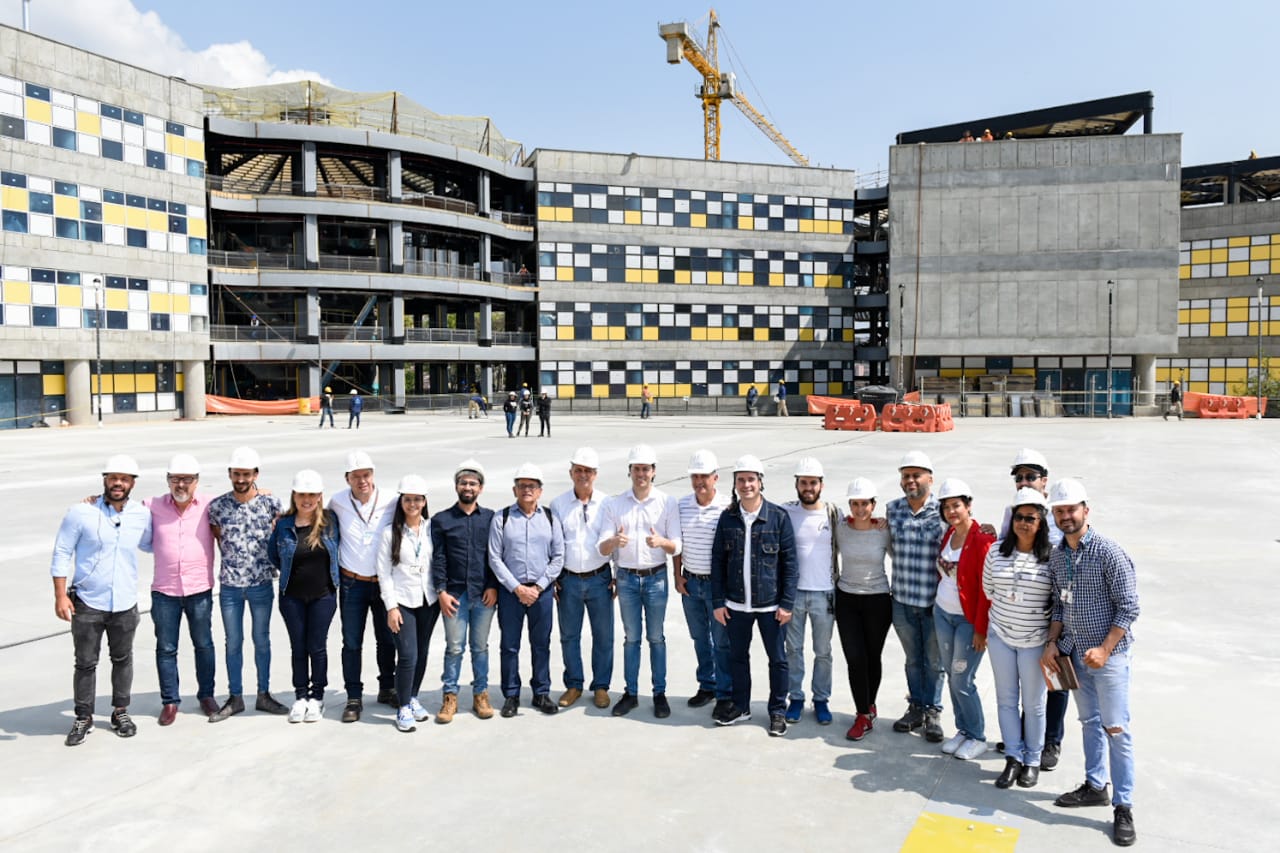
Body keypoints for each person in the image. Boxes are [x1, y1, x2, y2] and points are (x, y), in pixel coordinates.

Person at [1043, 479, 1140, 848]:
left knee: (1116, 727)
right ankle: (1096, 785)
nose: (1066, 516)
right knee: (1089, 721)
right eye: (1060, 510)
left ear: (1086, 510)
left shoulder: (1108, 553)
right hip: (1075, 654)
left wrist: (1104, 649)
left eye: (1072, 509)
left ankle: (1124, 806)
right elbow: (1059, 604)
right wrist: (1053, 642)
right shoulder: (1057, 554)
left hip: (1109, 657)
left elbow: (1129, 607)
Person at [51, 455, 153, 746]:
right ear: (105, 480)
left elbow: (150, 543)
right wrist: (60, 595)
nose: (118, 483)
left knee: (123, 660)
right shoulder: (80, 512)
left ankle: (120, 712)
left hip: (124, 603)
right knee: (85, 662)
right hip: (87, 602)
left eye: (124, 478)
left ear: (133, 483)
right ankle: (83, 716)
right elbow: (61, 553)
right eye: (112, 478)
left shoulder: (140, 515)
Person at [711, 455, 798, 736]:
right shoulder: (728, 518)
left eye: (751, 479)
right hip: (736, 604)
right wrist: (717, 602)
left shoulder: (778, 517)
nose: (746, 485)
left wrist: (786, 603)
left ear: (761, 482)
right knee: (738, 657)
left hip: (770, 606)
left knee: (778, 659)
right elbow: (717, 562)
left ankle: (776, 711)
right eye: (741, 480)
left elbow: (790, 564)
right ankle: (741, 706)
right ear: (735, 484)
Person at [597, 444, 682, 718]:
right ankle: (631, 693)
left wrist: (662, 542)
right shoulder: (615, 504)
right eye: (636, 469)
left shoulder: (667, 503)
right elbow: (602, 547)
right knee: (631, 638)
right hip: (627, 579)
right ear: (630, 472)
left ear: (654, 472)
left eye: (646, 469)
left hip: (656, 577)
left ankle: (659, 693)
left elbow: (677, 545)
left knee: (656, 637)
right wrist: (613, 541)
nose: (641, 474)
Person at [207, 447, 290, 722]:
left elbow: (288, 523)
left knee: (261, 641)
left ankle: (264, 694)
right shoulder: (218, 507)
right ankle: (236, 697)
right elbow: (218, 536)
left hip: (261, 584)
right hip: (230, 586)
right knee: (233, 642)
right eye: (236, 474)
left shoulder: (271, 504)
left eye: (246, 474)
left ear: (255, 474)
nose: (240, 478)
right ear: (230, 474)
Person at [998, 448, 1067, 771]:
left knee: (1055, 680)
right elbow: (1003, 548)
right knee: (1029, 685)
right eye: (1019, 477)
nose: (1024, 482)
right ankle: (1025, 739)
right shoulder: (1011, 511)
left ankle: (1051, 740)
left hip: (1059, 612)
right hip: (1022, 614)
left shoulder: (1059, 512)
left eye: (1030, 476)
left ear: (1045, 481)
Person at [985, 488, 1054, 789]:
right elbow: (989, 590)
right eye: (1019, 517)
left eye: (1031, 518)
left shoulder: (1053, 558)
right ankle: (1013, 757)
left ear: (1041, 524)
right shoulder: (996, 552)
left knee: (1034, 704)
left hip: (1035, 642)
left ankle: (1032, 761)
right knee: (1006, 700)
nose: (1023, 523)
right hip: (1000, 637)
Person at [489, 463, 565, 717]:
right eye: (522, 486)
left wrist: (540, 586)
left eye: (532, 486)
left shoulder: (550, 518)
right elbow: (495, 558)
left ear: (540, 491)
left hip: (541, 592)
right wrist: (517, 587)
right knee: (510, 645)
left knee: (541, 643)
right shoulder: (502, 518)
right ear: (514, 489)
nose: (526, 490)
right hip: (512, 592)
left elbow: (558, 556)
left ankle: (541, 692)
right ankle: (511, 695)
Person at [149, 453, 219, 725]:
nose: (181, 485)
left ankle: (206, 696)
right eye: (175, 479)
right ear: (167, 481)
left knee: (203, 645)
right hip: (165, 592)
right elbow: (120, 505)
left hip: (199, 589)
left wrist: (261, 490)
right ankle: (170, 701)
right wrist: (95, 499)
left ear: (197, 482)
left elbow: (242, 500)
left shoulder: (210, 505)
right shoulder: (152, 505)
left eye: (187, 480)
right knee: (166, 648)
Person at [330, 450, 398, 723]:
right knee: (352, 642)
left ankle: (387, 688)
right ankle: (354, 697)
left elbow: (419, 509)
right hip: (352, 583)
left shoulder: (392, 500)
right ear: (347, 478)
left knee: (387, 639)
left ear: (373, 475)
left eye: (367, 475)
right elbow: (305, 505)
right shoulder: (336, 501)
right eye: (356, 477)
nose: (362, 481)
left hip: (383, 583)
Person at [267, 469, 340, 723]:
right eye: (301, 495)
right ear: (294, 496)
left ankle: (316, 697)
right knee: (298, 647)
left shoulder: (330, 522)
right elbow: (273, 555)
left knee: (317, 647)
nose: (306, 500)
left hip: (324, 596)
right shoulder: (284, 524)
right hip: (292, 597)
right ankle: (300, 697)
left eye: (312, 495)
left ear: (320, 496)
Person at [932, 479, 996, 761]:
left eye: (956, 505)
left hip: (967, 621)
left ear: (968, 505)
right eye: (946, 507)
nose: (951, 511)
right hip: (943, 614)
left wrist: (981, 630)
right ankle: (963, 730)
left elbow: (987, 590)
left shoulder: (982, 539)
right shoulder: (949, 535)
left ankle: (977, 735)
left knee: (962, 678)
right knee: (951, 675)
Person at [430, 460, 499, 722]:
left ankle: (481, 694)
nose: (467, 487)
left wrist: (493, 586)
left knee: (480, 647)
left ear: (480, 488)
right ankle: (450, 696)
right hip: (455, 596)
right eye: (463, 482)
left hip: (483, 595)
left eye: (472, 483)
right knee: (455, 647)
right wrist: (441, 591)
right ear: (456, 486)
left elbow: (496, 556)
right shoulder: (442, 520)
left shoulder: (491, 518)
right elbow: (438, 559)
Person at [887, 450, 947, 742]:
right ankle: (916, 707)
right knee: (913, 659)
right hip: (902, 600)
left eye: (916, 475)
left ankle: (933, 711)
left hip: (934, 603)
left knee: (934, 661)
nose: (910, 480)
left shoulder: (944, 512)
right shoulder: (892, 510)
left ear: (930, 479)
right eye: (905, 475)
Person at [550, 447, 614, 709]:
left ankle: (600, 686)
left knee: (603, 635)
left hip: (599, 578)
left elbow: (615, 542)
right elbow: (553, 544)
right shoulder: (559, 504)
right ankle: (574, 684)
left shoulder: (608, 503)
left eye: (588, 471)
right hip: (569, 580)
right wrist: (553, 576)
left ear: (596, 474)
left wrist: (618, 575)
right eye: (578, 470)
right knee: (569, 635)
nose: (583, 475)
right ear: (571, 472)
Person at [377, 475, 439, 733]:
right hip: (403, 600)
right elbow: (383, 573)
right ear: (401, 502)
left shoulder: (432, 529)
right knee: (408, 655)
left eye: (417, 499)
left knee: (422, 653)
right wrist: (391, 607)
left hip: (428, 599)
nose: (413, 504)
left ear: (425, 502)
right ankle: (403, 707)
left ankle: (413, 697)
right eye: (408, 499)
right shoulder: (389, 533)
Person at [673, 449, 732, 717]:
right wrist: (677, 574)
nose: (699, 481)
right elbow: (677, 544)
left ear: (715, 478)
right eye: (695, 476)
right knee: (699, 637)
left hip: (717, 587)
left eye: (704, 476)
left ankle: (724, 691)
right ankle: (706, 685)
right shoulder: (682, 506)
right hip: (691, 583)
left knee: (721, 641)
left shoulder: (727, 508)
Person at [833, 477, 893, 741]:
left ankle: (869, 705)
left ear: (873, 504)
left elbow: (899, 557)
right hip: (846, 599)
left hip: (878, 600)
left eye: (864, 504)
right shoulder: (840, 529)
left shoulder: (884, 530)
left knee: (872, 657)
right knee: (854, 658)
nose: (859, 509)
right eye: (855, 504)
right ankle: (862, 714)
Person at [781, 457, 839, 726]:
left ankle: (821, 699)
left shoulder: (832, 514)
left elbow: (860, 522)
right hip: (793, 594)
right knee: (793, 649)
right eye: (803, 482)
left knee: (823, 651)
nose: (808, 487)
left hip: (824, 594)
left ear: (821, 485)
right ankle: (795, 698)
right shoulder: (786, 512)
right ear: (797, 484)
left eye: (812, 483)